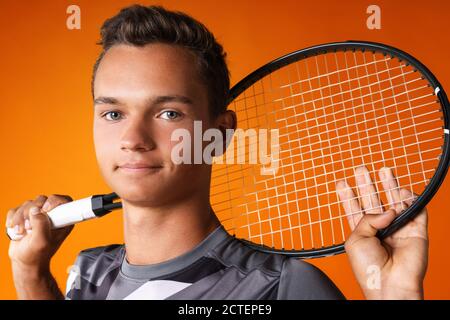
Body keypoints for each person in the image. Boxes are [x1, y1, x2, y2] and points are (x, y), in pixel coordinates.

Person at [6, 5, 428, 300]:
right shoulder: (88, 273)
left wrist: (398, 297)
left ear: (219, 134)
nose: (133, 138)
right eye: (113, 113)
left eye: (168, 112)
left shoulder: (279, 288)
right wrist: (30, 271)